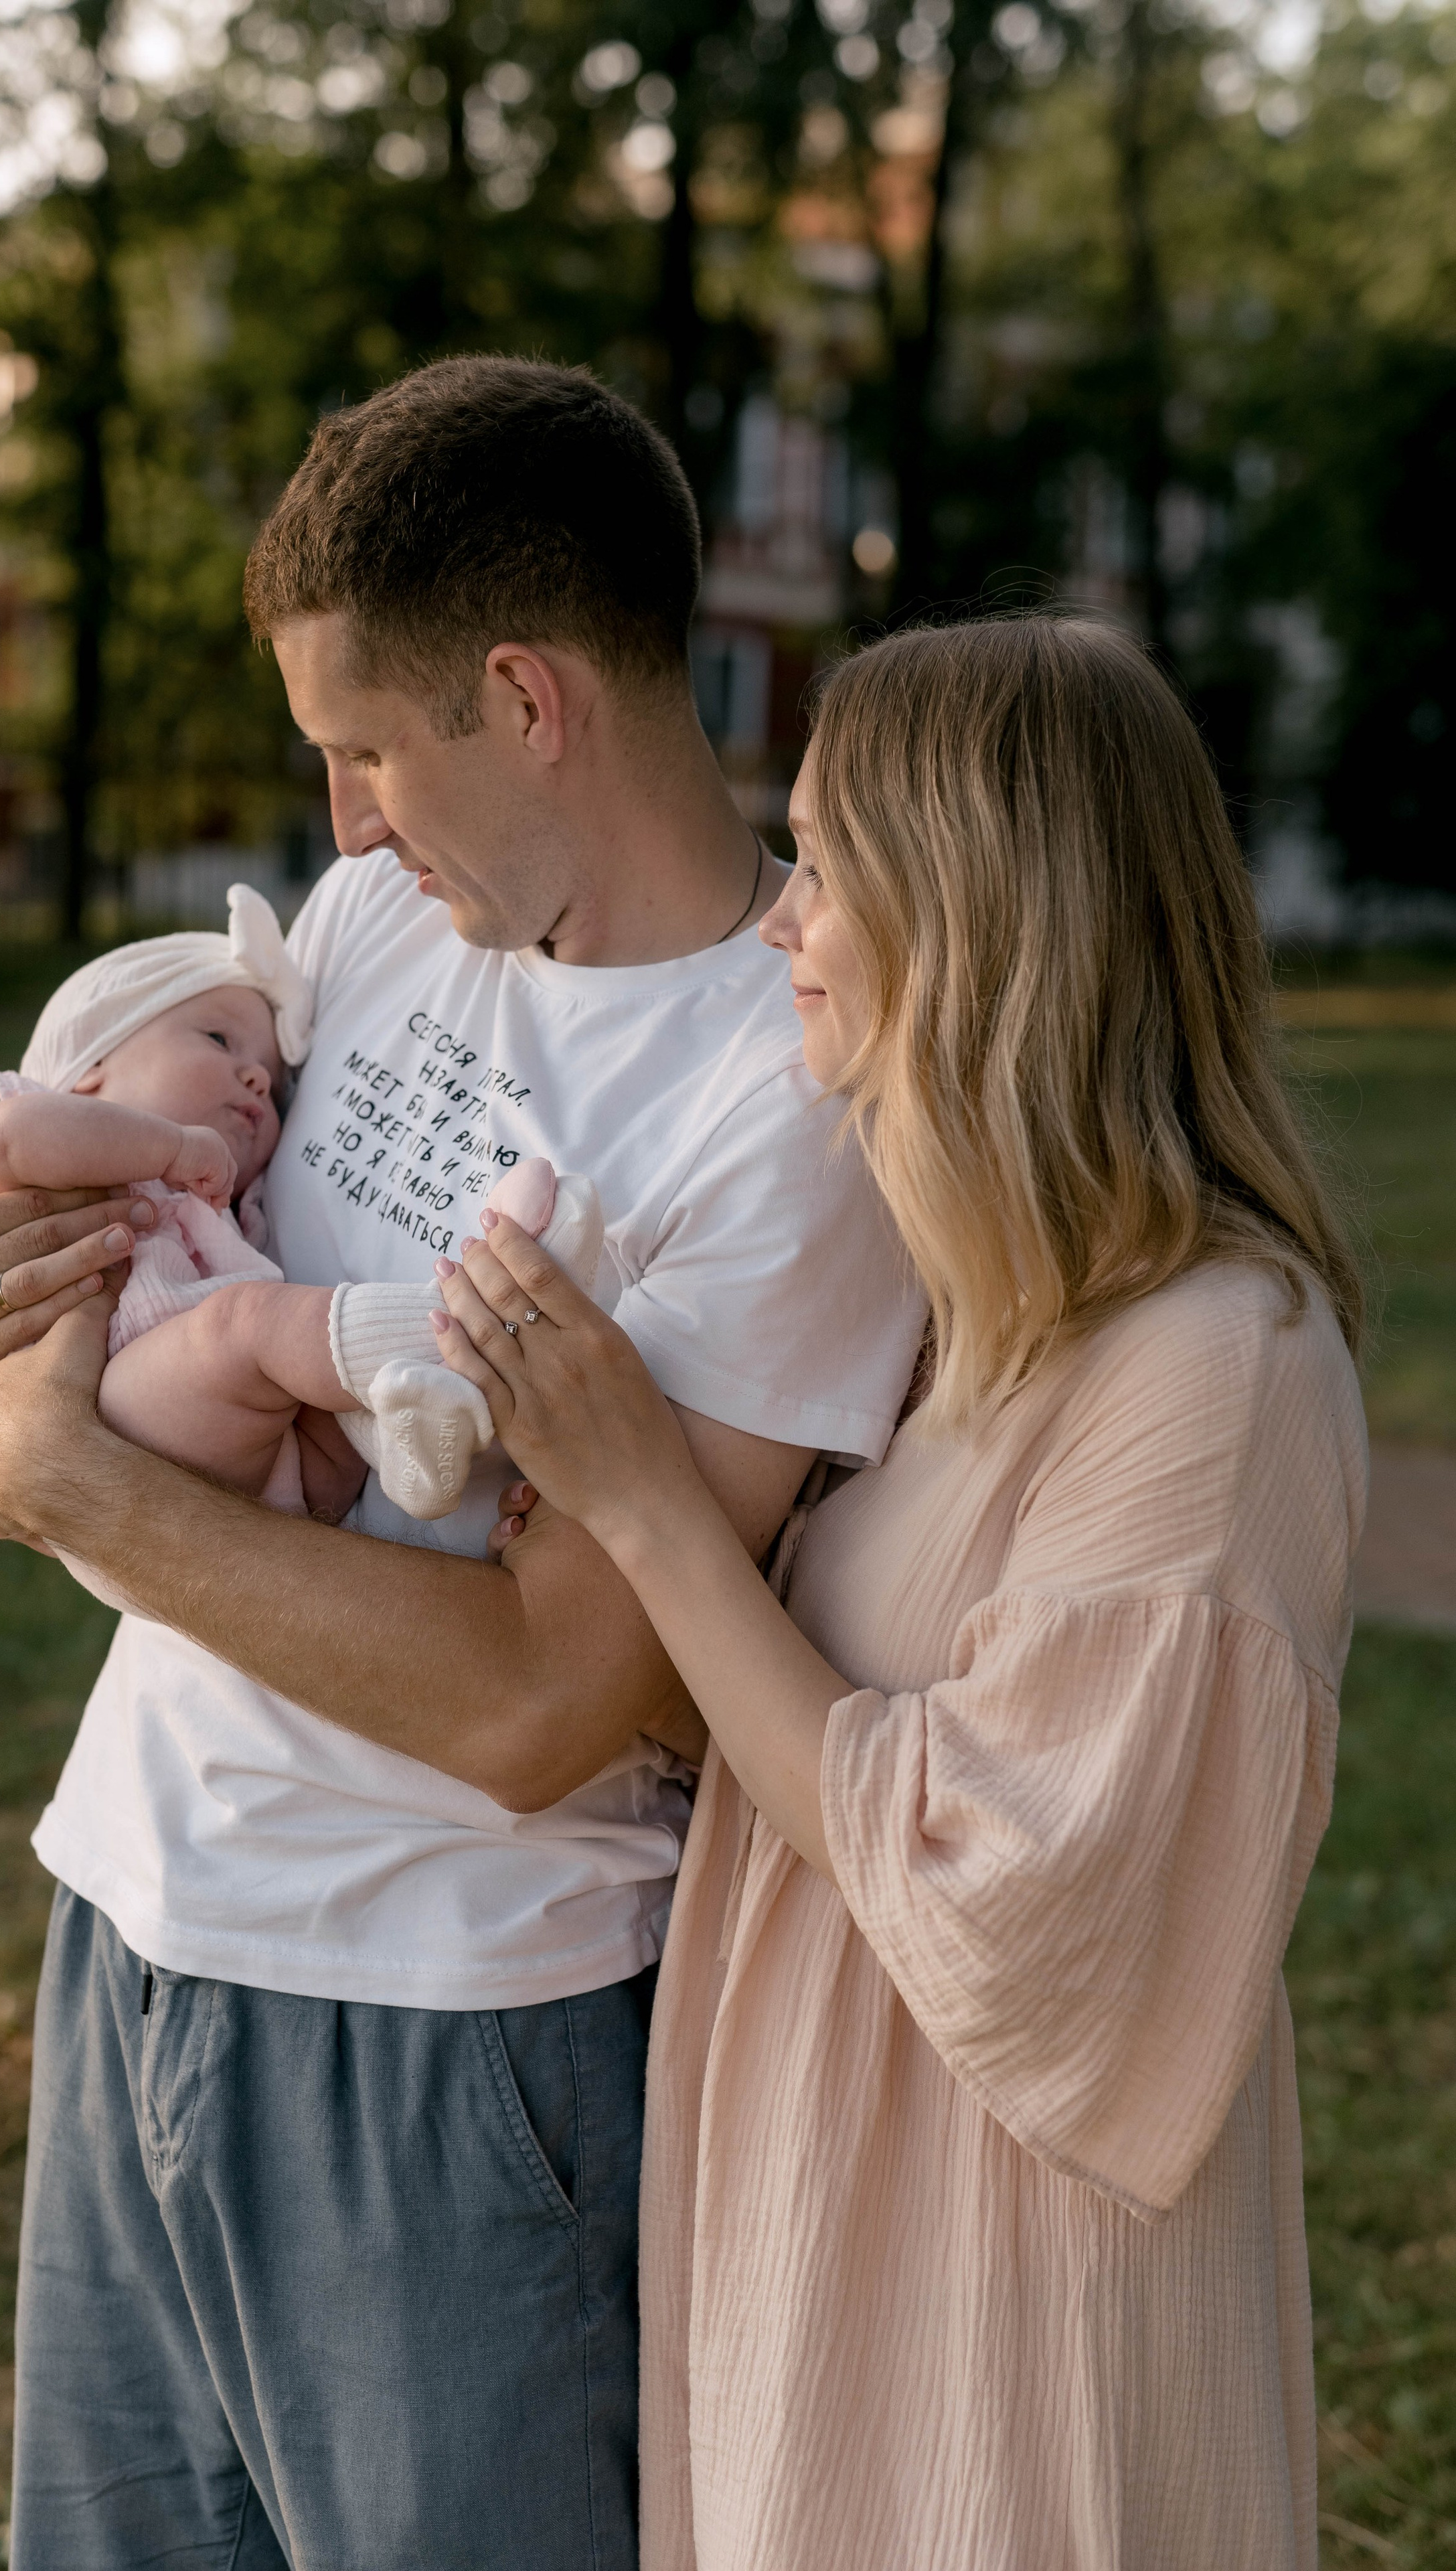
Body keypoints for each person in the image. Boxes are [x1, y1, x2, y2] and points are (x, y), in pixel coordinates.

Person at [0, 357, 928, 2570]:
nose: (340, 826)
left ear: (525, 700)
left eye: (364, 750)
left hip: (451, 2036)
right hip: (132, 1915)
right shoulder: (375, 931)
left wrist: (74, 1490)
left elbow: (548, 1701)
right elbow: (38, 1254)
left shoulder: (789, 1099)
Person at [430, 615, 1368, 2571]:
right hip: (816, 2195)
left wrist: (655, 1512)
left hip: (1002, 2291)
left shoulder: (1218, 1361)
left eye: (828, 863)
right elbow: (782, 1726)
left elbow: (1007, 1906)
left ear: (987, 917)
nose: (784, 916)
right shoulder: (972, 1313)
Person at [0, 883, 602, 1530]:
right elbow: (5, 1143)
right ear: (89, 1071)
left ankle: (411, 1449)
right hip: (117, 1413)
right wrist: (170, 1147)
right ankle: (470, 1315)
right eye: (219, 1039)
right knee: (247, 1323)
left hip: (260, 1475)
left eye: (273, 1084)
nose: (256, 1078)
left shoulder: (225, 1213)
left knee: (323, 1418)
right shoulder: (45, 1130)